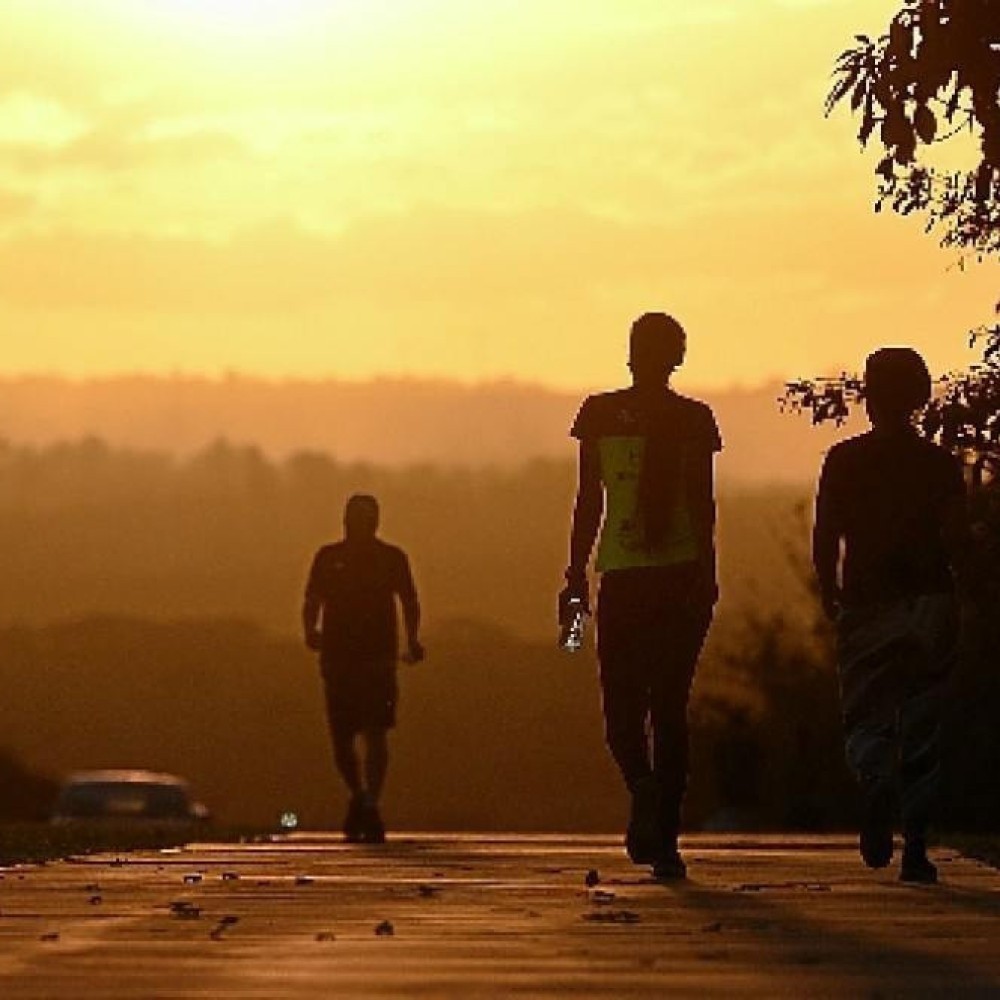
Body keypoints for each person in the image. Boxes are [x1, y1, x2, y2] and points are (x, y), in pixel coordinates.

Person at [562, 312, 722, 880]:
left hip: (623, 576)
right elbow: (704, 508)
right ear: (678, 356)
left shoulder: (599, 413)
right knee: (670, 707)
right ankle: (669, 839)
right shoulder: (695, 419)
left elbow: (589, 501)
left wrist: (575, 574)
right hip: (680, 576)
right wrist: (708, 576)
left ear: (630, 352)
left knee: (620, 707)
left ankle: (642, 785)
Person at [813, 347, 966, 884]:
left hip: (866, 601)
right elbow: (957, 538)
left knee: (865, 713)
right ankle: (917, 848)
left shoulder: (844, 459)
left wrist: (827, 587)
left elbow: (826, 531)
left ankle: (874, 776)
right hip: (930, 600)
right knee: (923, 723)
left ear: (868, 399)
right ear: (920, 398)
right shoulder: (940, 465)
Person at [302, 494, 424, 843]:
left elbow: (409, 600)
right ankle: (361, 796)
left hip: (376, 658)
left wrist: (412, 639)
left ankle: (367, 799)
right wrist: (310, 629)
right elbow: (312, 599)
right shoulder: (329, 558)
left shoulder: (390, 559)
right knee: (344, 736)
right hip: (339, 657)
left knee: (375, 731)